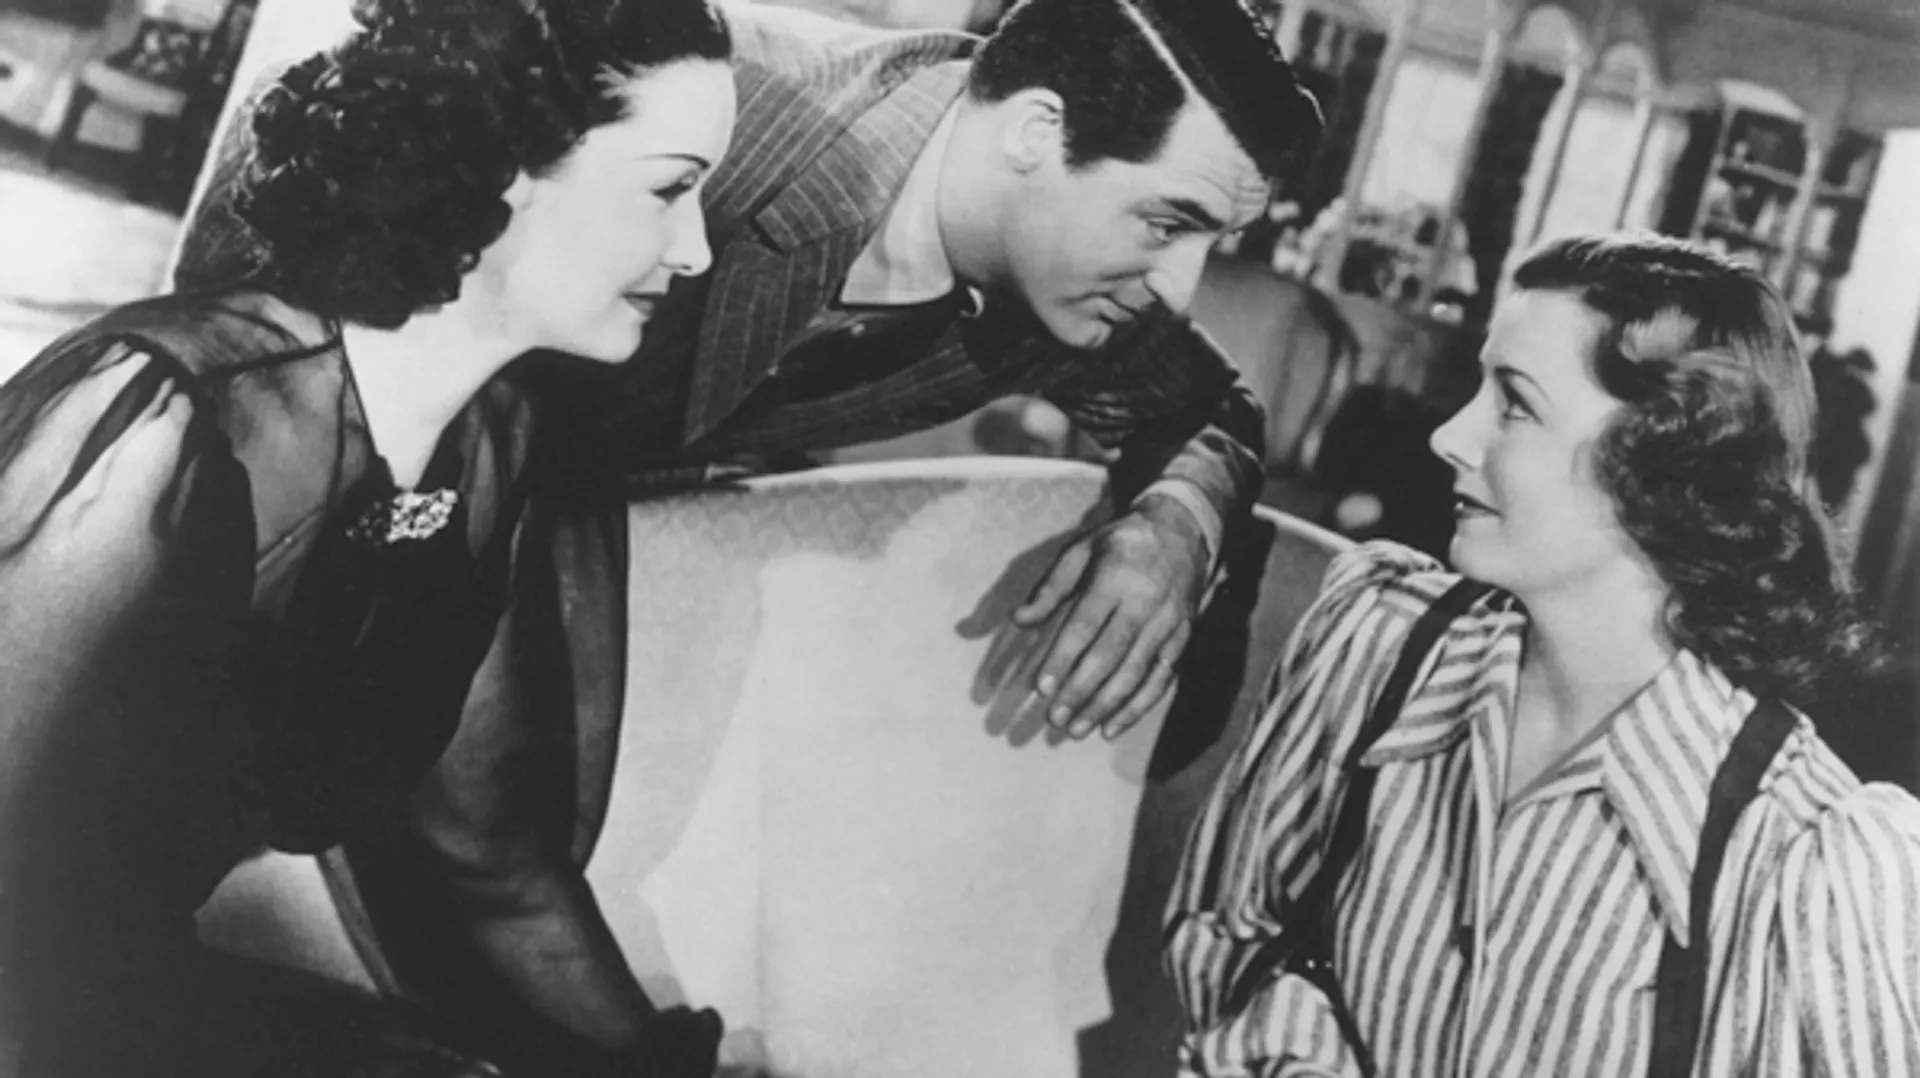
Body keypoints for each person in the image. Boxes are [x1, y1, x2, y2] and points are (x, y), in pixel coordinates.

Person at [182, 0, 1324, 743]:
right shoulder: (720, 106)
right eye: (1168, 221)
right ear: (1035, 133)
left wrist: (1175, 529)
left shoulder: (1072, 282)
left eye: (1212, 242)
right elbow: (310, 158)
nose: (1181, 290)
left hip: (558, 555)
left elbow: (1209, 407)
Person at [0, 0, 737, 1074]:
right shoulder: (161, 419)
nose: (698, 249)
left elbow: (490, 860)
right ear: (505, 169)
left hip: (116, 994)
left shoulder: (488, 452)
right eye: (670, 188)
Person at [1164, 233, 1920, 1076]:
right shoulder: (1378, 647)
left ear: (1669, 463)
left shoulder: (1797, 858)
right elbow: (1232, 939)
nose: (1450, 435)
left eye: (1515, 403)